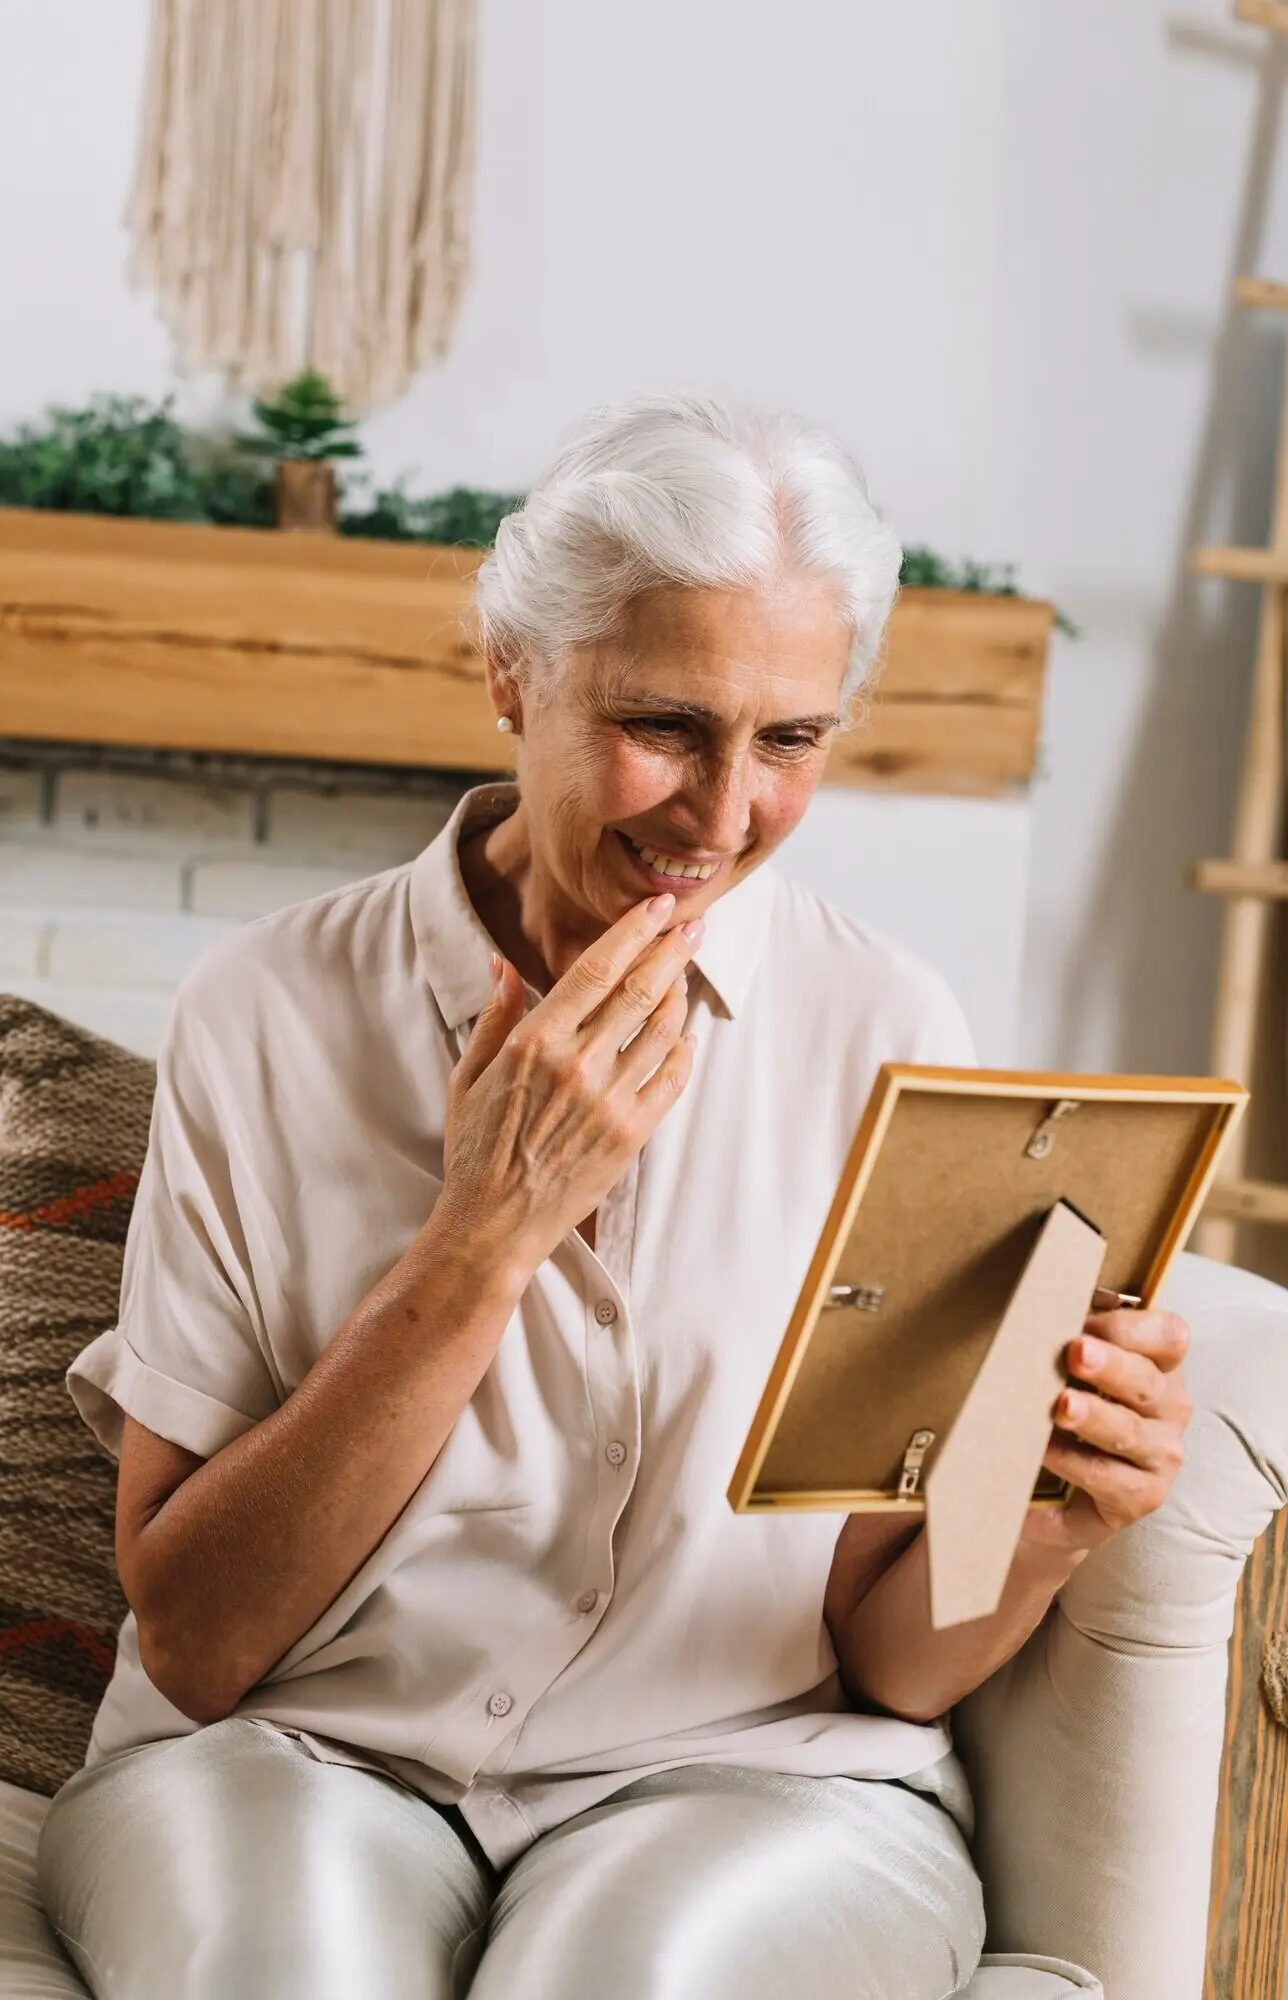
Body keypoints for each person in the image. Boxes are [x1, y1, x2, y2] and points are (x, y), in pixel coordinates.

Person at [37, 393, 1190, 2000]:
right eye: (664, 723)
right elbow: (203, 1643)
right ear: (508, 671)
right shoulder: (268, 1008)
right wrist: (481, 1238)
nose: (721, 821)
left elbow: (888, 1651)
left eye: (787, 741)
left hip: (750, 1776)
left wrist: (1053, 1517)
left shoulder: (892, 1035)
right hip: (295, 1757)